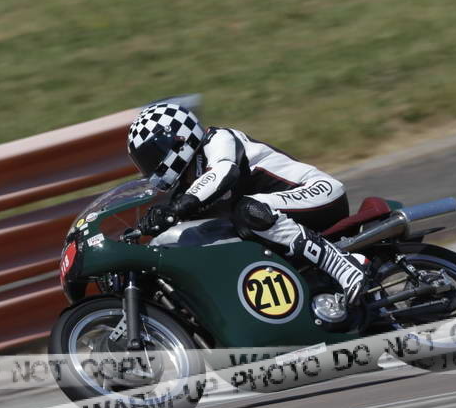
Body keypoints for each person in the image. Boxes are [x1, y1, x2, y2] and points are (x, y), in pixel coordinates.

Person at [127, 102, 370, 305]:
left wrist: (175, 209)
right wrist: (144, 232)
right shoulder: (184, 188)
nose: (151, 166)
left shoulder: (219, 140)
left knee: (248, 210)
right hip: (279, 216)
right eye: (144, 162)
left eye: (153, 156)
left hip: (319, 193)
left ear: (179, 139)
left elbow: (222, 173)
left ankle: (346, 265)